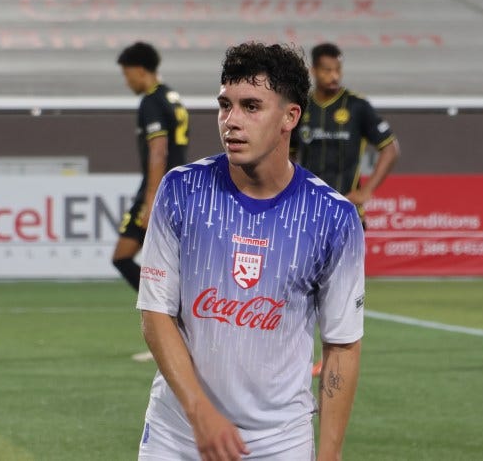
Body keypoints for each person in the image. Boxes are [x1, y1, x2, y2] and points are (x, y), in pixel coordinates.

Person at [137, 42, 364, 460]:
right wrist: (200, 412)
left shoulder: (333, 217)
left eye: (251, 107)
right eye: (225, 105)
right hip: (179, 434)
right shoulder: (181, 190)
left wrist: (329, 455)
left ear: (290, 117)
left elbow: (342, 344)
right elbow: (155, 313)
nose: (232, 121)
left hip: (280, 442)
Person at [114, 41, 189, 293]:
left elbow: (159, 151)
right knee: (169, 259)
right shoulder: (172, 97)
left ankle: (169, 306)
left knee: (122, 256)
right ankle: (173, 303)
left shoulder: (151, 101)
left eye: (127, 74)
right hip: (178, 188)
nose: (127, 82)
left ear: (139, 70)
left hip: (160, 190)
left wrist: (151, 200)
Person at [294, 42, 399, 216]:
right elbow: (287, 153)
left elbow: (391, 148)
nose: (334, 76)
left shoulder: (357, 106)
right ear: (313, 70)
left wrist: (366, 191)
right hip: (308, 210)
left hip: (347, 210)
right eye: (327, 70)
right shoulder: (302, 106)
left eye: (338, 70)